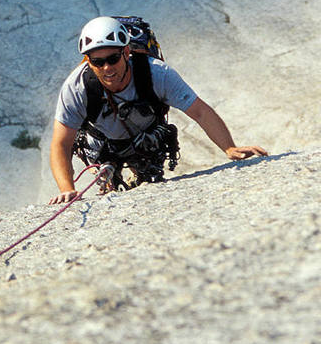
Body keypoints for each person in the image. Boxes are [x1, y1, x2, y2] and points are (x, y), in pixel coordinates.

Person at [49, 16, 267, 205]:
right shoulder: (76, 88)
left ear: (126, 52)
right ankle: (111, 176)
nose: (107, 68)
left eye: (113, 59)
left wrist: (229, 148)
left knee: (149, 178)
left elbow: (200, 111)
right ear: (87, 61)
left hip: (146, 137)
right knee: (108, 173)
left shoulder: (156, 73)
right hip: (102, 143)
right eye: (98, 62)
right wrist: (67, 188)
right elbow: (61, 143)